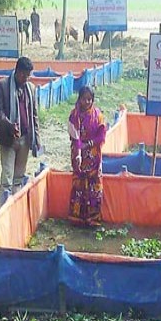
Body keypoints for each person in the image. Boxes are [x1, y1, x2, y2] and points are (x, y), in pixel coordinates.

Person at [0, 56, 41, 206]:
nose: (26, 78)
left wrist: (37, 139)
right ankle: (3, 208)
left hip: (25, 138)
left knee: (19, 177)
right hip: (8, 138)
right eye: (23, 75)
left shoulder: (31, 89)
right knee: (7, 176)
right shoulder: (2, 85)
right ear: (17, 71)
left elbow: (34, 115)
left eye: (28, 75)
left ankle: (15, 207)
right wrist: (9, 125)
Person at [68, 86, 107, 227]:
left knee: (94, 186)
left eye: (90, 99)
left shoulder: (98, 115)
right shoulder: (74, 116)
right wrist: (78, 153)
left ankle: (94, 218)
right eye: (84, 99)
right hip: (79, 156)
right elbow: (75, 136)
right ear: (79, 98)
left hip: (94, 157)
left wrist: (90, 144)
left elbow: (101, 135)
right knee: (79, 185)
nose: (87, 102)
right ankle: (77, 218)